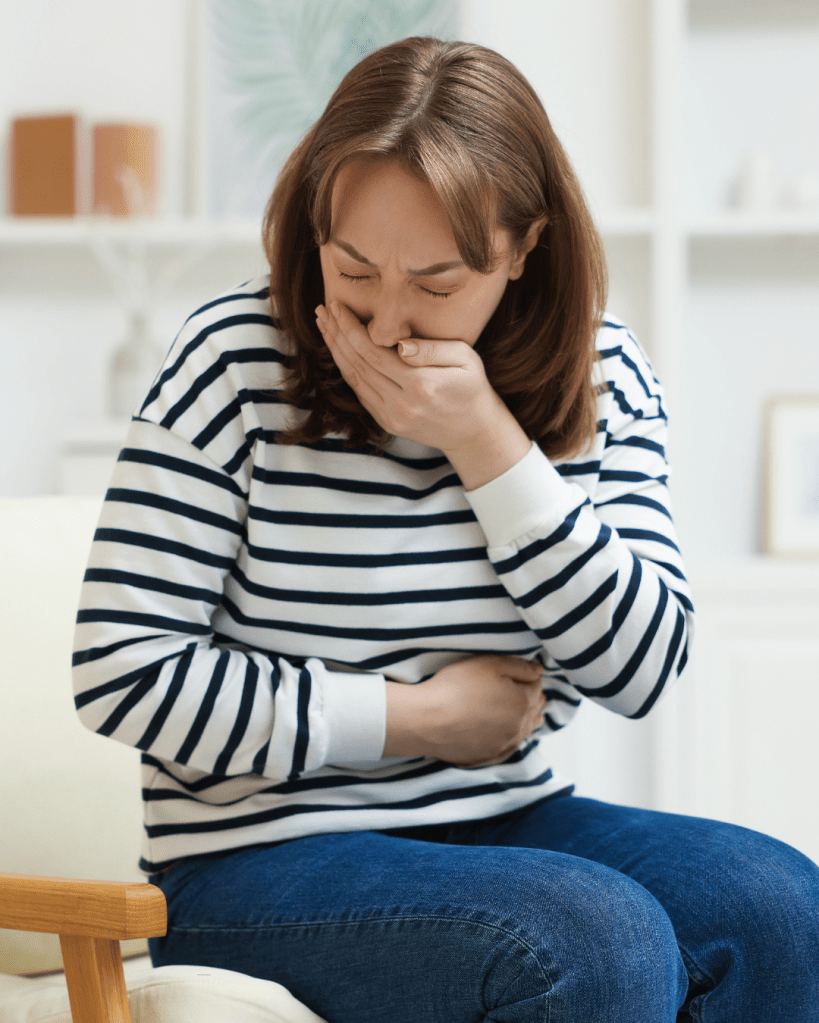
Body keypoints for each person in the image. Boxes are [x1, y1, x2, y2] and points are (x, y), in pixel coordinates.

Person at [73, 36, 819, 1023]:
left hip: (511, 819)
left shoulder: (604, 372)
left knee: (781, 907)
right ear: (316, 231)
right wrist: (411, 718)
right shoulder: (232, 360)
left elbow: (645, 670)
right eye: (354, 272)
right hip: (252, 858)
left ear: (521, 247)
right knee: (594, 938)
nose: (386, 326)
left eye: (434, 285)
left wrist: (490, 449)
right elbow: (122, 672)